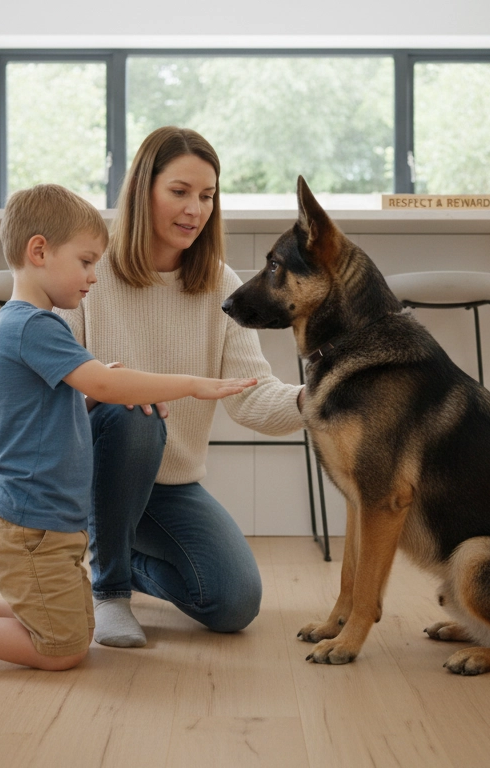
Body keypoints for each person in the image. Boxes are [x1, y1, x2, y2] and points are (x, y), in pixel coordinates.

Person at [0, 183, 255, 670]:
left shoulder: (35, 325)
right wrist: (190, 385)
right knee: (64, 649)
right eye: (86, 262)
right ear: (39, 251)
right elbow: (98, 380)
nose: (94, 277)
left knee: (77, 626)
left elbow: (65, 397)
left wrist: (97, 389)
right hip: (27, 526)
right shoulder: (33, 325)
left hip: (45, 524)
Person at [57, 126, 305, 648]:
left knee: (235, 602)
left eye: (207, 196)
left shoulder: (219, 283)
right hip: (95, 472)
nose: (196, 209)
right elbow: (51, 397)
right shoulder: (88, 273)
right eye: (180, 191)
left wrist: (318, 398)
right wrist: (102, 393)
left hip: (170, 487)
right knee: (132, 409)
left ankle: (122, 557)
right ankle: (109, 589)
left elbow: (250, 394)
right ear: (143, 189)